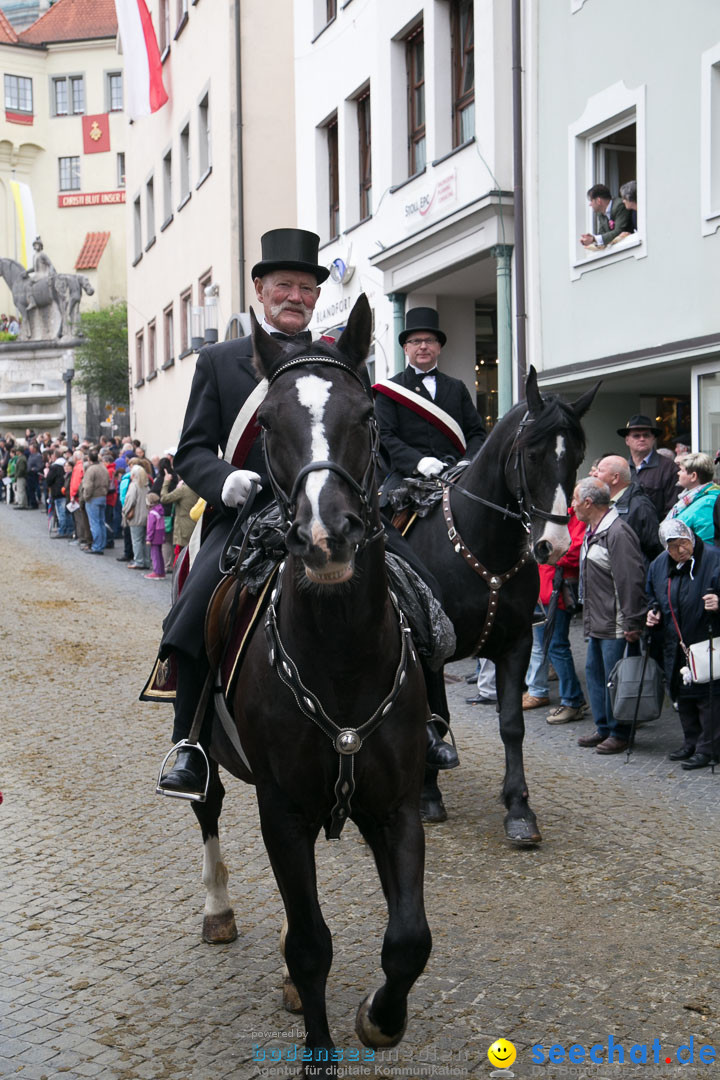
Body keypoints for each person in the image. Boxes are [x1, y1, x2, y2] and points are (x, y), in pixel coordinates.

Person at [154, 228, 330, 795]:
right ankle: (190, 743)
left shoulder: (336, 360)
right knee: (197, 604)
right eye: (284, 285)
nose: (296, 296)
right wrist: (224, 478)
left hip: (325, 511)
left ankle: (428, 723)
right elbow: (192, 450)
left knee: (409, 585)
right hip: (248, 516)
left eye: (306, 287)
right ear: (260, 289)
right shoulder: (221, 361)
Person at [373, 307, 486, 496]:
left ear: (439, 347)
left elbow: (476, 432)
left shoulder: (457, 387)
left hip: (457, 475)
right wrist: (418, 462)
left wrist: (467, 461)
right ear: (405, 348)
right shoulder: (390, 391)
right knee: (384, 517)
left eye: (430, 340)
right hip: (407, 476)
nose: (423, 346)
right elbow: (385, 436)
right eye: (416, 341)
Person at [573, 477, 646, 754]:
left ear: (588, 503)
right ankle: (604, 727)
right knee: (596, 675)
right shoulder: (595, 530)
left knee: (617, 680)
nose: (573, 506)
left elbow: (631, 580)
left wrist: (632, 621)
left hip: (616, 623)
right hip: (598, 621)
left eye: (575, 500)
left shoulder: (617, 532)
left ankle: (621, 731)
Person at [646, 520, 720, 768]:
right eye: (673, 547)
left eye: (683, 543)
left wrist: (718, 602)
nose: (680, 551)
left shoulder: (713, 557)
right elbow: (652, 594)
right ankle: (690, 742)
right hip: (674, 642)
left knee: (708, 699)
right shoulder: (659, 565)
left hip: (706, 640)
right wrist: (653, 610)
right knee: (682, 693)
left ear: (691, 537)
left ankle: (708, 748)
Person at [522, 505, 587, 724]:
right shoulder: (561, 514)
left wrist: (544, 552)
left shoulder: (574, 517)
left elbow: (573, 551)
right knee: (550, 646)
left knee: (556, 647)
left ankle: (573, 700)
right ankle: (569, 697)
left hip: (555, 594)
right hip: (545, 592)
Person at [590, 454, 661, 565]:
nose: (594, 474)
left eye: (600, 470)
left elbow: (654, 548)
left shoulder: (640, 506)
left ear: (615, 478)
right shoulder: (605, 503)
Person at [618, 414, 678, 518]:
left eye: (646, 435)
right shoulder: (622, 468)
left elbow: (673, 507)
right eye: (636, 436)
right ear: (627, 440)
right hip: (626, 531)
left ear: (653, 439)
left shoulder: (668, 467)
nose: (642, 439)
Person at [665, 452, 720, 545]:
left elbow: (706, 543)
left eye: (682, 470)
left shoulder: (708, 502)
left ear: (693, 476)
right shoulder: (690, 498)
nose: (678, 473)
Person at [579, 183, 632, 249]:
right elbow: (602, 233)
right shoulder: (600, 213)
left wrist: (594, 239)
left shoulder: (619, 205)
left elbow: (619, 231)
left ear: (598, 201)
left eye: (591, 201)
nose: (590, 204)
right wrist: (592, 239)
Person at [81, 448, 110, 554]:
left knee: (95, 523)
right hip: (102, 496)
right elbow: (108, 482)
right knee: (101, 522)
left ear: (89, 459)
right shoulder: (103, 468)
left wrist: (86, 497)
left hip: (93, 498)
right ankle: (102, 544)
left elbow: (88, 486)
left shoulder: (91, 470)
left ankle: (97, 546)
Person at [123, 464, 150, 569]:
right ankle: (146, 561)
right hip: (146, 516)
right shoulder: (146, 486)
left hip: (136, 517)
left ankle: (139, 561)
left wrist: (125, 511)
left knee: (137, 540)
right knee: (145, 540)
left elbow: (130, 500)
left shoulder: (134, 486)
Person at [144, 493, 167, 580]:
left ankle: (157, 572)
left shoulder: (152, 513)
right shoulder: (160, 510)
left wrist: (148, 538)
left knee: (155, 554)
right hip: (161, 534)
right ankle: (161, 572)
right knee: (159, 554)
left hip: (154, 535)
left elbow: (150, 527)